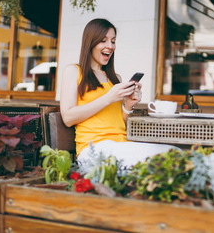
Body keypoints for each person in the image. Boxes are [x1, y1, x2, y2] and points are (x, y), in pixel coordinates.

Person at [60, 18, 176, 168]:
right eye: (103, 40)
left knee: (174, 153)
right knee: (165, 161)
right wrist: (109, 97)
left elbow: (119, 122)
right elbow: (68, 117)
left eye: (113, 41)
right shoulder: (74, 71)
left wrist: (128, 105)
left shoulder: (115, 79)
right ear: (90, 42)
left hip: (121, 145)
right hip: (93, 149)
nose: (110, 46)